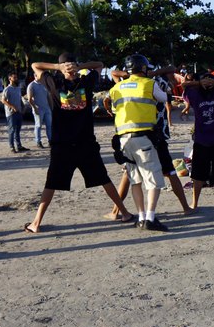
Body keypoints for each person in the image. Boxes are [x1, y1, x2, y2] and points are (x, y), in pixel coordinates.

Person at [25, 54, 132, 233]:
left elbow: (36, 66)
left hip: (68, 143)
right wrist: (71, 66)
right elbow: (98, 64)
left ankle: (35, 223)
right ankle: (125, 213)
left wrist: (66, 66)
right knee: (101, 178)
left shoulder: (57, 82)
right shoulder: (78, 82)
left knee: (52, 183)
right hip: (81, 142)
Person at [104, 66, 193, 218]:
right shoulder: (156, 83)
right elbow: (167, 89)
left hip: (134, 135)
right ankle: (185, 207)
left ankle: (116, 211)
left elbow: (113, 81)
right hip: (156, 134)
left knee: (130, 175)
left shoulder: (127, 86)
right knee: (170, 172)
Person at [108, 54, 169, 231]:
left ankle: (141, 217)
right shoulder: (149, 83)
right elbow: (164, 98)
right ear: (143, 68)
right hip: (143, 138)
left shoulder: (117, 87)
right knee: (153, 179)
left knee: (135, 180)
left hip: (123, 141)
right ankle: (150, 218)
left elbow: (114, 109)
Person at [181, 73, 214, 210]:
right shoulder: (196, 95)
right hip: (202, 141)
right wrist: (202, 83)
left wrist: (213, 81)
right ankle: (195, 203)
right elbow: (184, 85)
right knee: (198, 175)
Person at [1, 72, 28, 153]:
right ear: (10, 79)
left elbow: (20, 99)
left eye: (16, 77)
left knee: (18, 130)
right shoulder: (7, 89)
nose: (16, 79)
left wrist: (23, 107)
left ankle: (19, 146)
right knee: (12, 130)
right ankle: (12, 146)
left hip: (19, 112)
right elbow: (3, 100)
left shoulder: (18, 88)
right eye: (14, 78)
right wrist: (12, 107)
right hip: (11, 113)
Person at [27, 70, 53, 148]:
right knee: (38, 126)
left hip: (47, 108)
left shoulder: (44, 84)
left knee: (49, 125)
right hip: (38, 109)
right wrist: (35, 108)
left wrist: (51, 107)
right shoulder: (31, 85)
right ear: (35, 76)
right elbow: (29, 99)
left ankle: (50, 141)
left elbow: (48, 96)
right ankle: (38, 141)